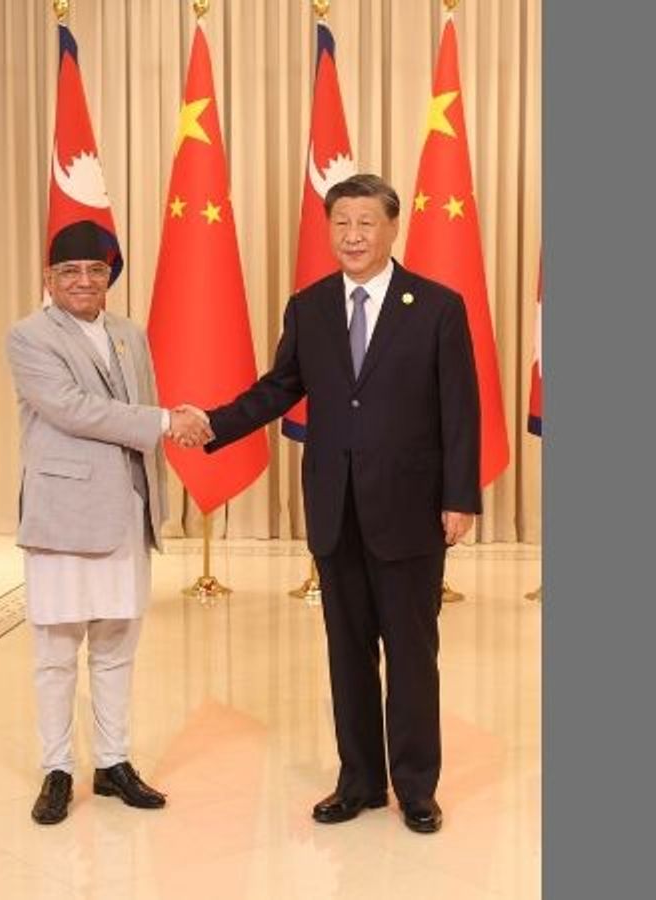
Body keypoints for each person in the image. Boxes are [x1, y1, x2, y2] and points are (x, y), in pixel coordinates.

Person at [183, 174, 481, 834]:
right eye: (341, 222)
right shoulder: (310, 305)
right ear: (329, 229)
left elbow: (461, 407)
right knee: (347, 653)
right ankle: (359, 781)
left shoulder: (435, 305)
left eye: (366, 223)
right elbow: (279, 387)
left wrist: (461, 496)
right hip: (334, 506)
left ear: (392, 228)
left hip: (410, 509)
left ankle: (415, 786)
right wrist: (212, 423)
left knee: (410, 654)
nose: (353, 235)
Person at [6, 220, 210, 825]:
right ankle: (58, 769)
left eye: (96, 271)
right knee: (56, 652)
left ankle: (114, 763)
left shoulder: (128, 333)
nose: (84, 281)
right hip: (65, 515)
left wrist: (163, 448)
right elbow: (71, 409)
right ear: (50, 278)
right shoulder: (28, 336)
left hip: (126, 512)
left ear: (109, 277)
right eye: (70, 272)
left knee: (118, 647)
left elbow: (137, 413)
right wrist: (167, 420)